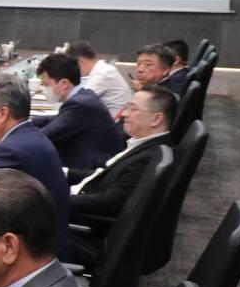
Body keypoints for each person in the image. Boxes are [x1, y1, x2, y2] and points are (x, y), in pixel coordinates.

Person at [0, 73, 70, 258]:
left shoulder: (9, 152)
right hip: (49, 246)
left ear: (3, 113)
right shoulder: (32, 136)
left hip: (34, 257)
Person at [68, 85, 176, 221]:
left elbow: (110, 203)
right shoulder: (143, 144)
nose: (124, 114)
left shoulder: (149, 158)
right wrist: (66, 172)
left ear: (156, 119)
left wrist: (56, 199)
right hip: (81, 194)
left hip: (77, 216)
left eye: (133, 109)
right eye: (127, 107)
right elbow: (105, 176)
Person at [31, 53, 124, 170]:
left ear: (64, 84)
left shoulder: (80, 105)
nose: (43, 89)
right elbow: (58, 119)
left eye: (46, 85)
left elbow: (45, 135)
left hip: (93, 170)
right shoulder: (83, 96)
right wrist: (29, 122)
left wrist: (17, 130)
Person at [65, 40, 130, 118]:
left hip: (115, 122)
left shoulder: (103, 73)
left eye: (72, 66)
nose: (72, 71)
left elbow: (78, 100)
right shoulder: (101, 70)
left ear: (80, 61)